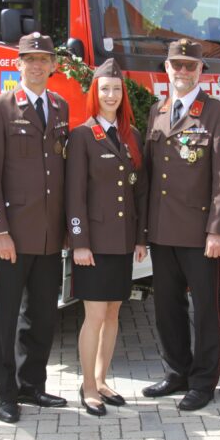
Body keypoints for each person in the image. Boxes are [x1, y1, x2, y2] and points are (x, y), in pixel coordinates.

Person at [0, 32, 69, 424]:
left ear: (52, 66)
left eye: (42, 59)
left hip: (49, 236)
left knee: (44, 315)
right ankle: (6, 393)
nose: (35, 65)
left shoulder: (61, 107)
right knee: (7, 316)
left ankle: (33, 384)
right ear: (18, 65)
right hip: (12, 237)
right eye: (28, 59)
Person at [142, 38, 220, 411]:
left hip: (200, 234)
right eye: (176, 65)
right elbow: (151, 174)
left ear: (201, 71)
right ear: (166, 69)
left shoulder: (217, 113)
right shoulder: (157, 110)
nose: (182, 71)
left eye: (189, 66)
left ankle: (202, 381)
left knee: (206, 310)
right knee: (167, 307)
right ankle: (176, 372)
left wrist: (218, 230)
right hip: (163, 231)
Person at [65, 58, 148, 416]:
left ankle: (101, 379)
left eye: (116, 89)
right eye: (104, 89)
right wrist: (79, 242)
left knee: (114, 312)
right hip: (94, 244)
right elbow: (74, 194)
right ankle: (86, 385)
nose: (111, 95)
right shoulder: (82, 135)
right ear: (94, 94)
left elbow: (138, 191)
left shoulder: (132, 136)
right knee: (95, 315)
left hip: (123, 241)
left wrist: (141, 237)